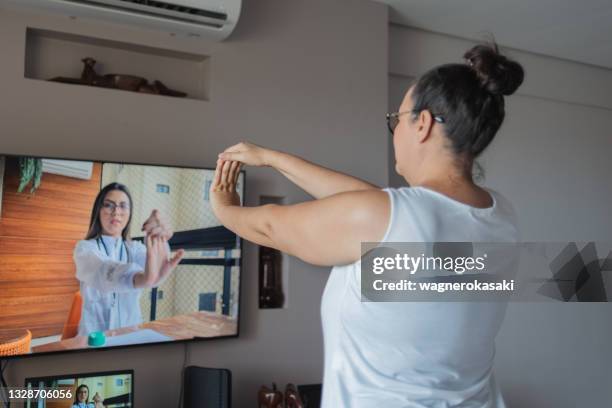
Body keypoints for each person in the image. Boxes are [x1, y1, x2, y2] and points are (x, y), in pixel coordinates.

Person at [210, 43, 524, 407]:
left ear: (421, 124)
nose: (394, 132)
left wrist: (223, 206)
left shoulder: (392, 218)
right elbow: (376, 203)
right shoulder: (501, 216)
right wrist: (271, 158)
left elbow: (269, 227)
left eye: (397, 119)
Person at [74, 182, 184, 336]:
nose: (116, 211)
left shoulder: (135, 249)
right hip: (93, 337)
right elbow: (103, 270)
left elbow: (154, 273)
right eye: (108, 205)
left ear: (129, 214)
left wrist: (158, 237)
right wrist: (139, 278)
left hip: (130, 333)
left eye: (123, 206)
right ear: (98, 210)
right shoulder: (85, 249)